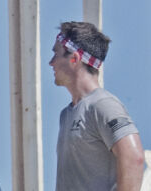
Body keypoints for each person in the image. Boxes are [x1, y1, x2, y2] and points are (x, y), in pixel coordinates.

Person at [52, 20, 144, 191]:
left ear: (74, 58)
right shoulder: (67, 114)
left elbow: (133, 158)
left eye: (55, 54)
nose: (51, 62)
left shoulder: (103, 105)